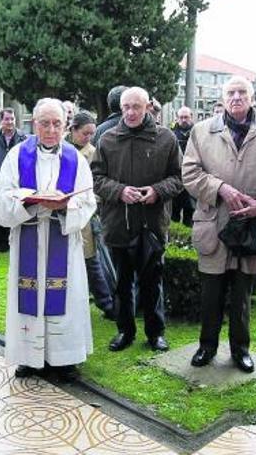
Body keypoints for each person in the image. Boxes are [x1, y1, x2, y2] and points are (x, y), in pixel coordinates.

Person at [182, 76, 256, 372]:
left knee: (243, 294)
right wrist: (220, 189)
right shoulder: (202, 131)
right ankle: (207, 346)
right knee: (211, 293)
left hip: (251, 227)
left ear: (252, 97)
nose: (237, 97)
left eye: (243, 92)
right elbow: (189, 174)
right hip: (214, 223)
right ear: (223, 96)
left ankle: (241, 349)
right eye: (231, 92)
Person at [0, 98, 96, 381]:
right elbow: (1, 199)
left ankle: (64, 360)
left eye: (57, 124)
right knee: (29, 297)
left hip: (62, 240)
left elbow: (88, 201)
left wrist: (64, 207)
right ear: (34, 124)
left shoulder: (76, 159)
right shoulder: (17, 156)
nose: (51, 129)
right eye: (45, 123)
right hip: (29, 235)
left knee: (65, 298)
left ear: (65, 126)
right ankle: (29, 359)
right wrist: (27, 204)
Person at [92, 86, 183, 353]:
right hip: (119, 222)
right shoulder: (107, 139)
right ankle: (124, 331)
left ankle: (156, 334)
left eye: (136, 107)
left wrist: (157, 191)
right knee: (121, 283)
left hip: (152, 222)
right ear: (120, 109)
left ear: (148, 108)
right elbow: (95, 179)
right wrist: (120, 191)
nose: (131, 112)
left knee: (152, 282)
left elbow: (179, 178)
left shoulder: (166, 139)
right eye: (126, 107)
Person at [65, 111, 115, 320]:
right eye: (85, 133)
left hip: (85, 215)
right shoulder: (60, 150)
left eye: (92, 134)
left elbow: (99, 184)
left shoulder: (93, 153)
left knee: (91, 262)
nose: (88, 138)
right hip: (60, 215)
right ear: (73, 130)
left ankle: (107, 304)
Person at [0, 108, 27, 251]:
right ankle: (2, 242)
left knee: (17, 210)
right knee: (1, 209)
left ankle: (15, 241)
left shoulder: (23, 138)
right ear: (1, 120)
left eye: (12, 119)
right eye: (6, 119)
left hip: (18, 183)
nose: (9, 122)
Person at [171, 106, 195, 226]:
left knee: (190, 212)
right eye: (181, 117)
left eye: (186, 117)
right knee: (173, 213)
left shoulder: (197, 133)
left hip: (192, 177)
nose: (183, 120)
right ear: (177, 118)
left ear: (191, 117)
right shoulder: (171, 133)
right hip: (176, 176)